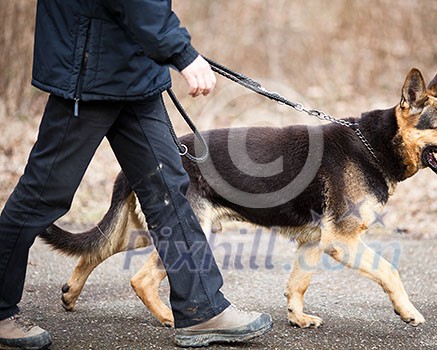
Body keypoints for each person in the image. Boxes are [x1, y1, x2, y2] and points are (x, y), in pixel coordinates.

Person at [0, 1, 272, 348]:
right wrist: (183, 54)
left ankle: (203, 309)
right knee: (43, 194)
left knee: (169, 191)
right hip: (91, 71)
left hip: (134, 74)